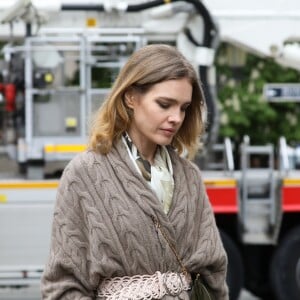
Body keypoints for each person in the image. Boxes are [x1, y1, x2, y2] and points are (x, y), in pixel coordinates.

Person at [41, 44, 229, 300]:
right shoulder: (83, 174)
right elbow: (63, 284)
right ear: (131, 97)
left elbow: (213, 273)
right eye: (165, 104)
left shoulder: (190, 176)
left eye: (184, 108)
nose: (176, 117)